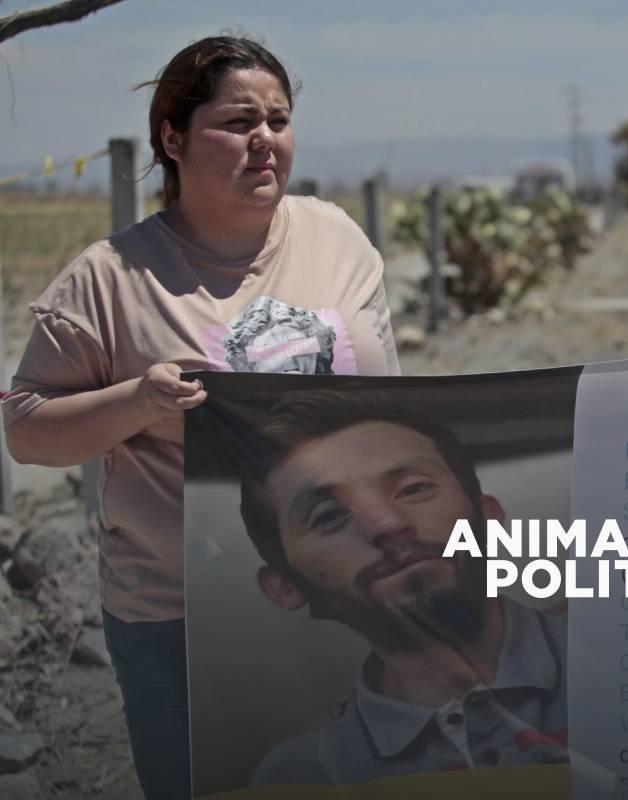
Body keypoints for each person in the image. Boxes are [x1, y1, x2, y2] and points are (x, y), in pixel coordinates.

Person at [2, 37, 401, 799]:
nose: (265, 140)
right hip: (179, 619)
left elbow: (394, 401)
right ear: (172, 138)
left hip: (346, 598)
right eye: (238, 121)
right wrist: (136, 402)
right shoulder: (110, 276)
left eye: (279, 120)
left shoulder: (338, 239)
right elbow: (25, 427)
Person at [234, 389, 567, 785]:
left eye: (413, 488)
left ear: (490, 519)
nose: (386, 525)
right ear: (286, 587)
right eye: (328, 516)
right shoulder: (298, 777)